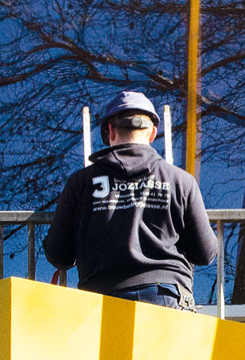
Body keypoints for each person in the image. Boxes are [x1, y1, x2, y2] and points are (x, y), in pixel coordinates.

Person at [44, 91, 217, 309]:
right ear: (153, 133)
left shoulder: (81, 183)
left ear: (110, 130)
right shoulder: (180, 180)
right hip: (166, 299)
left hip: (102, 300)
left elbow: (59, 256)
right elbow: (205, 253)